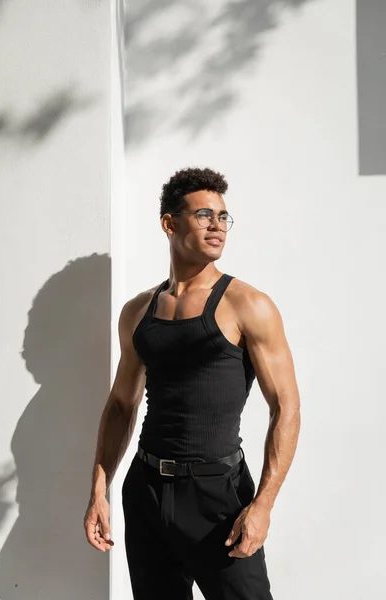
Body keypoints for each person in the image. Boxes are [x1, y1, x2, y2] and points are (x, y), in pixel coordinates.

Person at [84, 167, 301, 599]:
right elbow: (121, 407)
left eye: (223, 216)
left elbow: (286, 408)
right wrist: (98, 490)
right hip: (146, 489)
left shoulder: (248, 305)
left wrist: (263, 504)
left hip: (217, 498)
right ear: (169, 223)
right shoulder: (138, 311)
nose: (217, 225)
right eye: (204, 214)